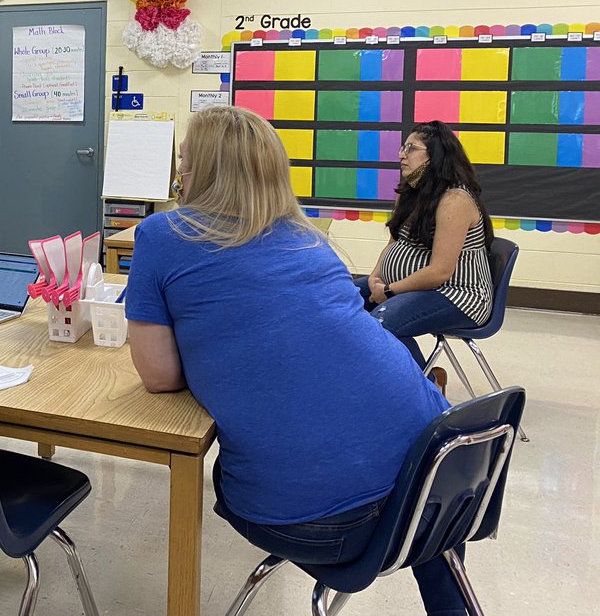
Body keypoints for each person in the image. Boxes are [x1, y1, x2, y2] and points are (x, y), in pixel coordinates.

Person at [124, 106, 468, 616]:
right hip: (448, 480)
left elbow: (160, 376)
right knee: (399, 486)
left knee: (230, 473)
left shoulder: (162, 235)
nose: (180, 174)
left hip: (328, 522)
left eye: (185, 162)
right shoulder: (310, 238)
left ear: (202, 173)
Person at [360, 120, 494, 373]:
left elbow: (440, 272)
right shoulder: (408, 192)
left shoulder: (455, 199)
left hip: (457, 295)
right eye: (403, 147)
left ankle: (427, 388)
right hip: (405, 286)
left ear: (435, 156)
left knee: (382, 323)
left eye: (411, 148)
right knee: (339, 301)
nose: (401, 154)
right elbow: (394, 242)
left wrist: (388, 291)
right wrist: (375, 277)